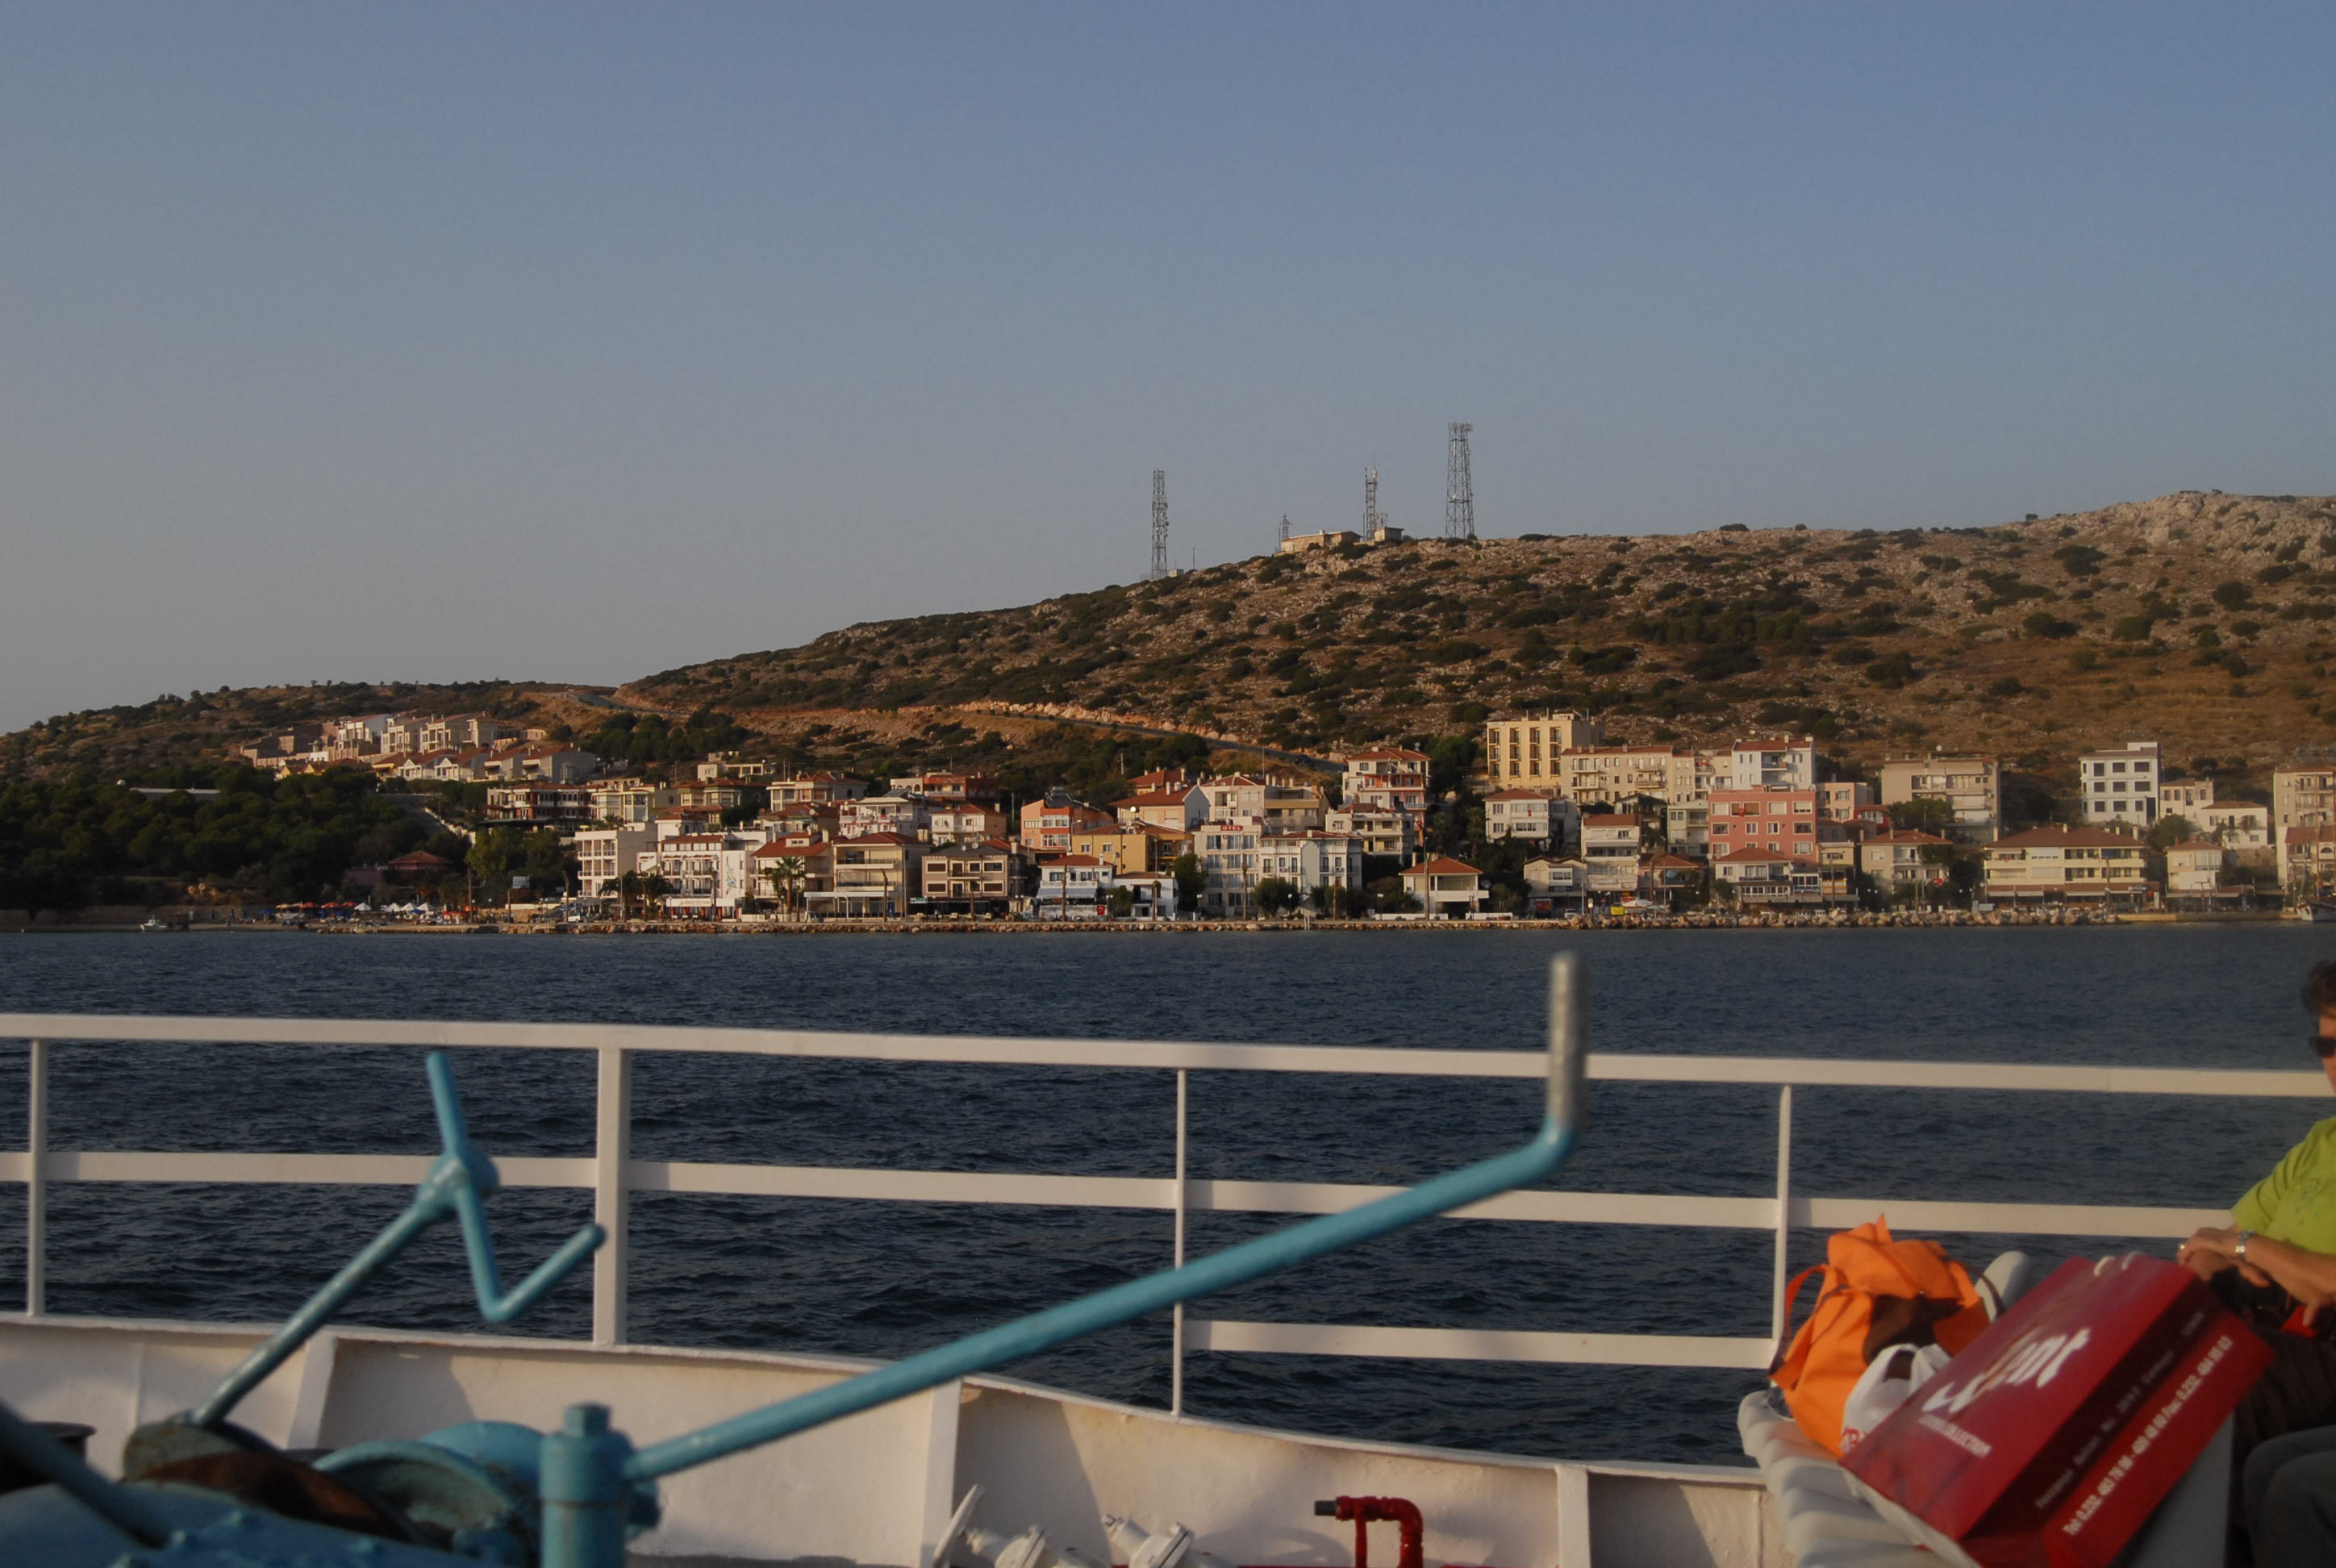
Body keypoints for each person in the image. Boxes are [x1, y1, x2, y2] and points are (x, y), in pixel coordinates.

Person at [2177, 960, 2336, 1564]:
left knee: (2200, 1393)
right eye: (2325, 1046)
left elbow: (2251, 1246)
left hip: (2324, 1345)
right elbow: (2208, 1246)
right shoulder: (2322, 1142)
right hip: (2276, 1326)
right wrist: (2211, 1271)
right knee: (2138, 1362)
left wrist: (2253, 1251)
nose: (2334, 1061)